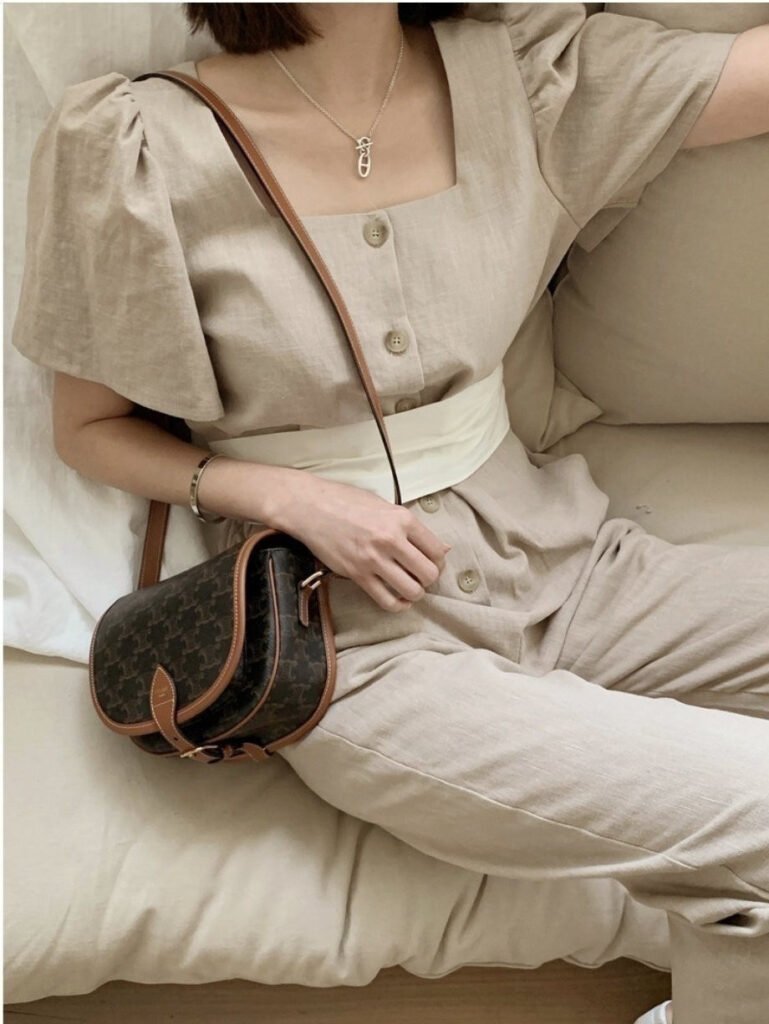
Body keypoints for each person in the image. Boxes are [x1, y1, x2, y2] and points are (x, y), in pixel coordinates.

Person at [10, 4, 769, 1022]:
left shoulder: (525, 80)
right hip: (351, 648)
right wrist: (283, 493)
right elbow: (90, 428)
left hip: (571, 566)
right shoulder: (134, 146)